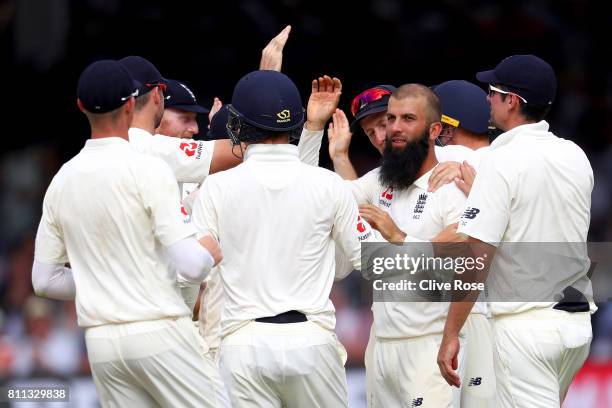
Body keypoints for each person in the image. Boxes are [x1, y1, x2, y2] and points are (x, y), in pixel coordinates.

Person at [31, 60, 229, 407]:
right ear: (129, 104)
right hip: (160, 331)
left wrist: (103, 281)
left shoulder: (62, 180)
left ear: (81, 107)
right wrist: (208, 251)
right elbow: (192, 266)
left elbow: (44, 281)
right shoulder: (149, 167)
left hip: (102, 344)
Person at [191, 69, 372, 408]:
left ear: (240, 126)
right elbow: (374, 262)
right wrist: (464, 274)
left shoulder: (217, 187)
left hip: (243, 345)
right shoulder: (327, 184)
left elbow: (193, 270)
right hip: (312, 343)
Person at [437, 54, 595, 408]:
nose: (487, 100)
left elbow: (478, 256)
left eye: (492, 92)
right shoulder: (574, 154)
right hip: (577, 324)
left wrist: (450, 334)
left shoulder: (499, 160)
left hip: (526, 326)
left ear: (512, 101)